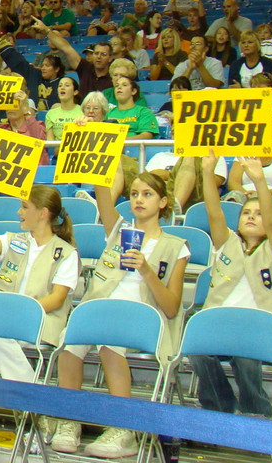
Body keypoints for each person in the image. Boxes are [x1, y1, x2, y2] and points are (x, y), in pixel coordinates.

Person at [49, 167, 188, 458]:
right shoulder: (120, 232)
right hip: (100, 311)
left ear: (163, 203)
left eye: (147, 194)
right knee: (71, 344)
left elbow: (173, 306)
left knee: (110, 344)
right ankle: (69, 420)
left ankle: (123, 427)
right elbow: (102, 197)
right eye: (134, 193)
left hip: (144, 318)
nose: (139, 199)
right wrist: (98, 158)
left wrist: (146, 270)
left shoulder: (177, 247)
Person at [191, 152, 272, 417]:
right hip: (222, 326)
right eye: (246, 212)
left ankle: (257, 413)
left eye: (257, 213)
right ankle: (219, 410)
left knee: (245, 355)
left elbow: (271, 221)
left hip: (262, 330)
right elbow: (213, 210)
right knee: (198, 351)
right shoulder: (227, 243)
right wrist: (208, 173)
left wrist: (258, 182)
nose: (251, 217)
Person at [0, 183, 77, 383]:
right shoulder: (14, 240)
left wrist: (19, 312)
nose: (18, 212)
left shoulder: (66, 253)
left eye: (25, 207)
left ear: (43, 213)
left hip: (39, 322)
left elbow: (56, 299)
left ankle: (28, 395)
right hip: (3, 318)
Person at [47, 31, 114, 94]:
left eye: (103, 54)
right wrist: (45, 30)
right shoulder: (85, 67)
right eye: (96, 53)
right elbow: (66, 48)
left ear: (110, 58)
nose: (99, 57)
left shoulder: (114, 76)